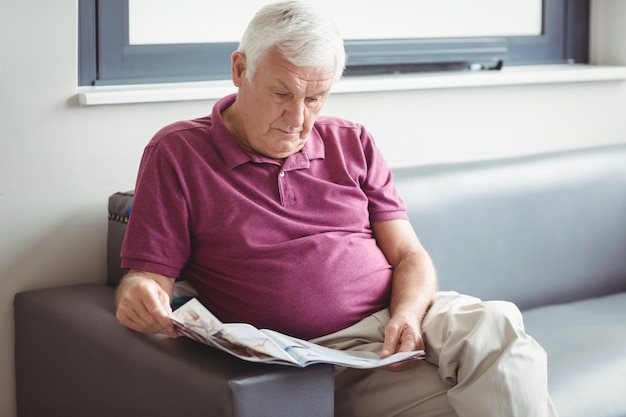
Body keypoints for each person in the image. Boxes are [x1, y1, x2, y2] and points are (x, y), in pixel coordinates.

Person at [115, 2, 558, 416]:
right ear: (239, 69)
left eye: (315, 98)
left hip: (409, 317)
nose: (297, 119)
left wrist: (406, 314)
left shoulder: (352, 141)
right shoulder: (177, 154)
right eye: (281, 93)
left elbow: (410, 256)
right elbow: (148, 279)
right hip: (328, 357)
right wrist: (139, 294)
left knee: (498, 324)